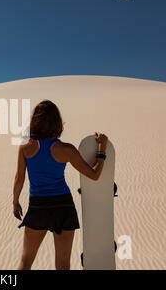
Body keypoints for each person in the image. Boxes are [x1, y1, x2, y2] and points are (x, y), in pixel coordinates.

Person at [12, 100, 108, 270]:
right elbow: (94, 175)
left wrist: (15, 202)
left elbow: (19, 178)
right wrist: (101, 148)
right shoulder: (66, 149)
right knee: (63, 266)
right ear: (57, 121)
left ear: (35, 121)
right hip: (63, 206)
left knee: (25, 261)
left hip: (38, 206)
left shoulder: (25, 148)